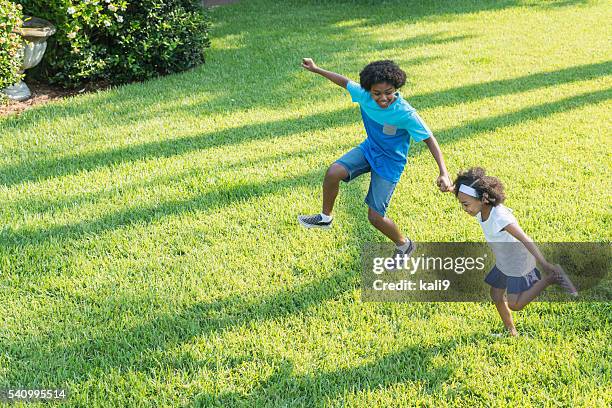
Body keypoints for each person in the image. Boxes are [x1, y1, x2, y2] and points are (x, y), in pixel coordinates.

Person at [298, 58, 452, 257]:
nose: (383, 98)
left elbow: (429, 139)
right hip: (370, 149)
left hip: (390, 163)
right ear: (368, 90)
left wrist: (443, 172)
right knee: (333, 172)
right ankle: (325, 218)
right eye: (377, 93)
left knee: (375, 218)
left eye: (389, 92)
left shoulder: (405, 113)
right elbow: (344, 81)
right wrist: (317, 69)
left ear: (397, 88)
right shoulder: (363, 95)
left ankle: (404, 245)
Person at [453, 167, 577, 336]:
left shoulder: (500, 218)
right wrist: (451, 188)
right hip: (504, 261)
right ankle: (511, 332)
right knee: (496, 295)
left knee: (515, 304)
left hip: (518, 262)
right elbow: (467, 193)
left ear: (483, 198)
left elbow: (525, 239)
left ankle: (551, 278)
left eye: (465, 204)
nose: (464, 209)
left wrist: (544, 264)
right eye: (462, 204)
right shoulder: (480, 207)